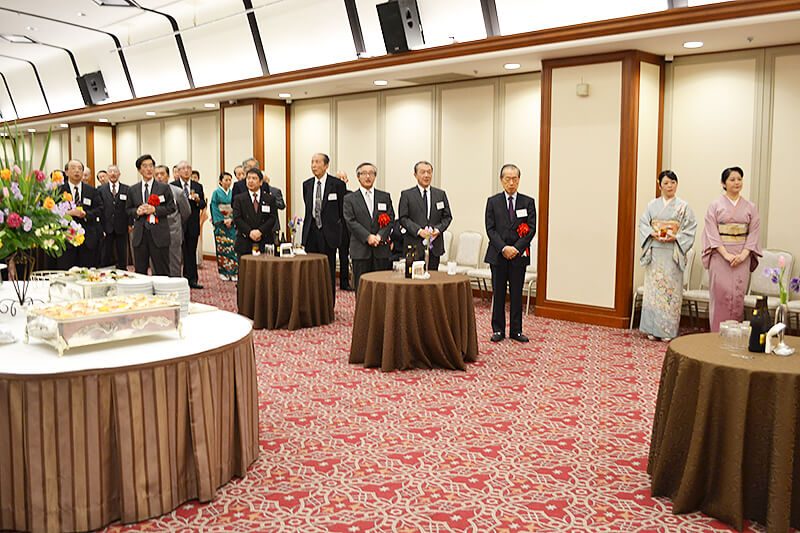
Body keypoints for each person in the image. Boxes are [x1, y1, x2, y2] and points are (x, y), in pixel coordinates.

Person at [638, 170, 697, 341]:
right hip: (655, 251)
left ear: (676, 184)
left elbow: (690, 227)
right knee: (653, 291)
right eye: (666, 183)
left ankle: (667, 330)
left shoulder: (683, 206)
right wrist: (652, 233)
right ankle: (650, 328)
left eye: (673, 182)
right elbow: (643, 223)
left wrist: (676, 237)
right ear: (660, 185)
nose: (670, 186)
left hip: (672, 253)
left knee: (670, 292)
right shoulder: (652, 205)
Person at [702, 166, 762, 331]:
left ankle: (735, 335)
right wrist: (726, 254)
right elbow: (711, 232)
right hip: (720, 257)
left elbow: (754, 232)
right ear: (723, 183)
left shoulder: (750, 207)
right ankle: (716, 334)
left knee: (737, 296)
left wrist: (744, 254)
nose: (737, 182)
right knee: (720, 296)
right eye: (732, 179)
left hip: (742, 257)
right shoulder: (714, 206)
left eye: (739, 179)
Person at [485, 164, 536, 343]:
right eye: (508, 179)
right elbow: (490, 229)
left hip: (518, 256)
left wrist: (516, 248)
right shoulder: (493, 202)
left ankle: (516, 330)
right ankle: (498, 329)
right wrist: (503, 248)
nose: (511, 182)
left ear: (519, 180)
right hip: (498, 255)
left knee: (516, 294)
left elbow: (531, 229)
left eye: (515, 179)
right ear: (501, 180)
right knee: (498, 293)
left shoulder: (528, 202)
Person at [302, 153, 348, 302]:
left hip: (329, 234)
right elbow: (308, 209)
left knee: (328, 272)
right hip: (311, 233)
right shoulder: (307, 184)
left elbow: (342, 212)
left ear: (326, 165)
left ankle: (328, 305)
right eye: (312, 162)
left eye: (317, 162)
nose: (314, 165)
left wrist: (340, 234)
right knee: (311, 272)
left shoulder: (337, 185)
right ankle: (312, 304)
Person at [343, 162, 394, 290]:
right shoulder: (350, 199)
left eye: (371, 173)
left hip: (381, 250)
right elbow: (350, 221)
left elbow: (390, 219)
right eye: (364, 173)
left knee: (381, 287)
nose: (368, 176)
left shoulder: (384, 197)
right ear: (358, 177)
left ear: (375, 176)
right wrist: (368, 237)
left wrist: (379, 236)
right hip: (360, 250)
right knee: (362, 288)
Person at [125, 154, 176, 276]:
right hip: (140, 235)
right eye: (145, 166)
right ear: (139, 170)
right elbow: (128, 210)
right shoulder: (132, 189)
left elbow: (171, 207)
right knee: (140, 271)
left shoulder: (164, 187)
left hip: (159, 234)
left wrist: (155, 209)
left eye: (151, 166)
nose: (149, 169)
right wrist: (136, 212)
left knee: (162, 271)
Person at [398, 161, 452, 272]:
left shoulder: (440, 194)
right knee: (414, 278)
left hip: (434, 246)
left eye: (429, 172)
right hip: (414, 245)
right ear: (415, 175)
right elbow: (403, 218)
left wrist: (437, 229)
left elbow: (447, 217)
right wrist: (419, 231)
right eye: (422, 172)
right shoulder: (407, 195)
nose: (426, 175)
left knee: (433, 278)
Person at [59, 159, 103, 269]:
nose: (77, 171)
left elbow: (99, 209)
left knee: (87, 272)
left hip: (88, 239)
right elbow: (52, 212)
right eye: (73, 168)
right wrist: (68, 213)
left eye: (80, 169)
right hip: (67, 239)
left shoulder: (91, 190)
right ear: (66, 172)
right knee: (67, 272)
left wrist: (86, 214)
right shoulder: (59, 191)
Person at [172, 160, 206, 289]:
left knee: (191, 253)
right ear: (178, 171)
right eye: (183, 168)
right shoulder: (172, 186)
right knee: (177, 253)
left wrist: (198, 200)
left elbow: (203, 204)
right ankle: (176, 279)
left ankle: (192, 279)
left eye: (188, 168)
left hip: (192, 224)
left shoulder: (198, 186)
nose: (186, 170)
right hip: (178, 224)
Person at [232, 168, 278, 259]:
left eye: (254, 178)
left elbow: (272, 218)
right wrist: (250, 232)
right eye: (248, 178)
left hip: (264, 240)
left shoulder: (269, 199)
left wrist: (260, 231)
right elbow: (237, 218)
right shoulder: (239, 199)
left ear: (261, 182)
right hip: (245, 241)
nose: (250, 181)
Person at [155, 165, 191, 277]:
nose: (159, 177)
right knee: (156, 262)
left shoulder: (177, 192)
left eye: (162, 174)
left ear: (168, 176)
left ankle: (175, 285)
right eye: (156, 174)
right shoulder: (151, 192)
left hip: (173, 232)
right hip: (155, 233)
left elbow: (186, 212)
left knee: (174, 263)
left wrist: (176, 222)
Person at [97, 164, 130, 269]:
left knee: (122, 252)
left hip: (122, 226)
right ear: (107, 174)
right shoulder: (101, 189)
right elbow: (99, 208)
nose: (113, 174)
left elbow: (129, 208)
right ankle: (104, 271)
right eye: (110, 172)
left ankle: (123, 270)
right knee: (105, 253)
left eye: (115, 172)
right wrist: (100, 226)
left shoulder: (127, 189)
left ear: (119, 174)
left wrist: (130, 224)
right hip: (106, 226)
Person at [211, 171, 238, 281]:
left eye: (230, 180)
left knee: (232, 247)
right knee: (222, 247)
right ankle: (223, 271)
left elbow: (236, 207)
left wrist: (231, 219)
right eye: (226, 180)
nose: (228, 182)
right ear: (220, 181)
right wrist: (222, 220)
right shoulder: (216, 193)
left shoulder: (233, 193)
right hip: (221, 224)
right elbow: (214, 206)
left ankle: (233, 272)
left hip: (231, 223)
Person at [335, 170, 354, 291]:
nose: (341, 181)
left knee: (344, 256)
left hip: (346, 230)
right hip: (333, 230)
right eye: (339, 178)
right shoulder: (331, 194)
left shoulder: (351, 195)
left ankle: (344, 282)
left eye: (343, 178)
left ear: (347, 181)